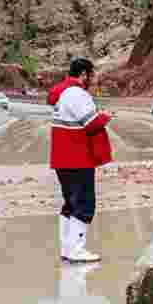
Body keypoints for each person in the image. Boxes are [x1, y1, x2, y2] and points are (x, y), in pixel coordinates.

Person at [49, 57, 112, 263]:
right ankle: (76, 250)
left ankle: (67, 249)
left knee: (70, 203)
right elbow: (91, 123)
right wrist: (105, 116)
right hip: (77, 157)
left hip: (62, 158)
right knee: (84, 203)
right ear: (84, 74)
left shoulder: (61, 93)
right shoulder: (77, 93)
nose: (93, 79)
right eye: (91, 75)